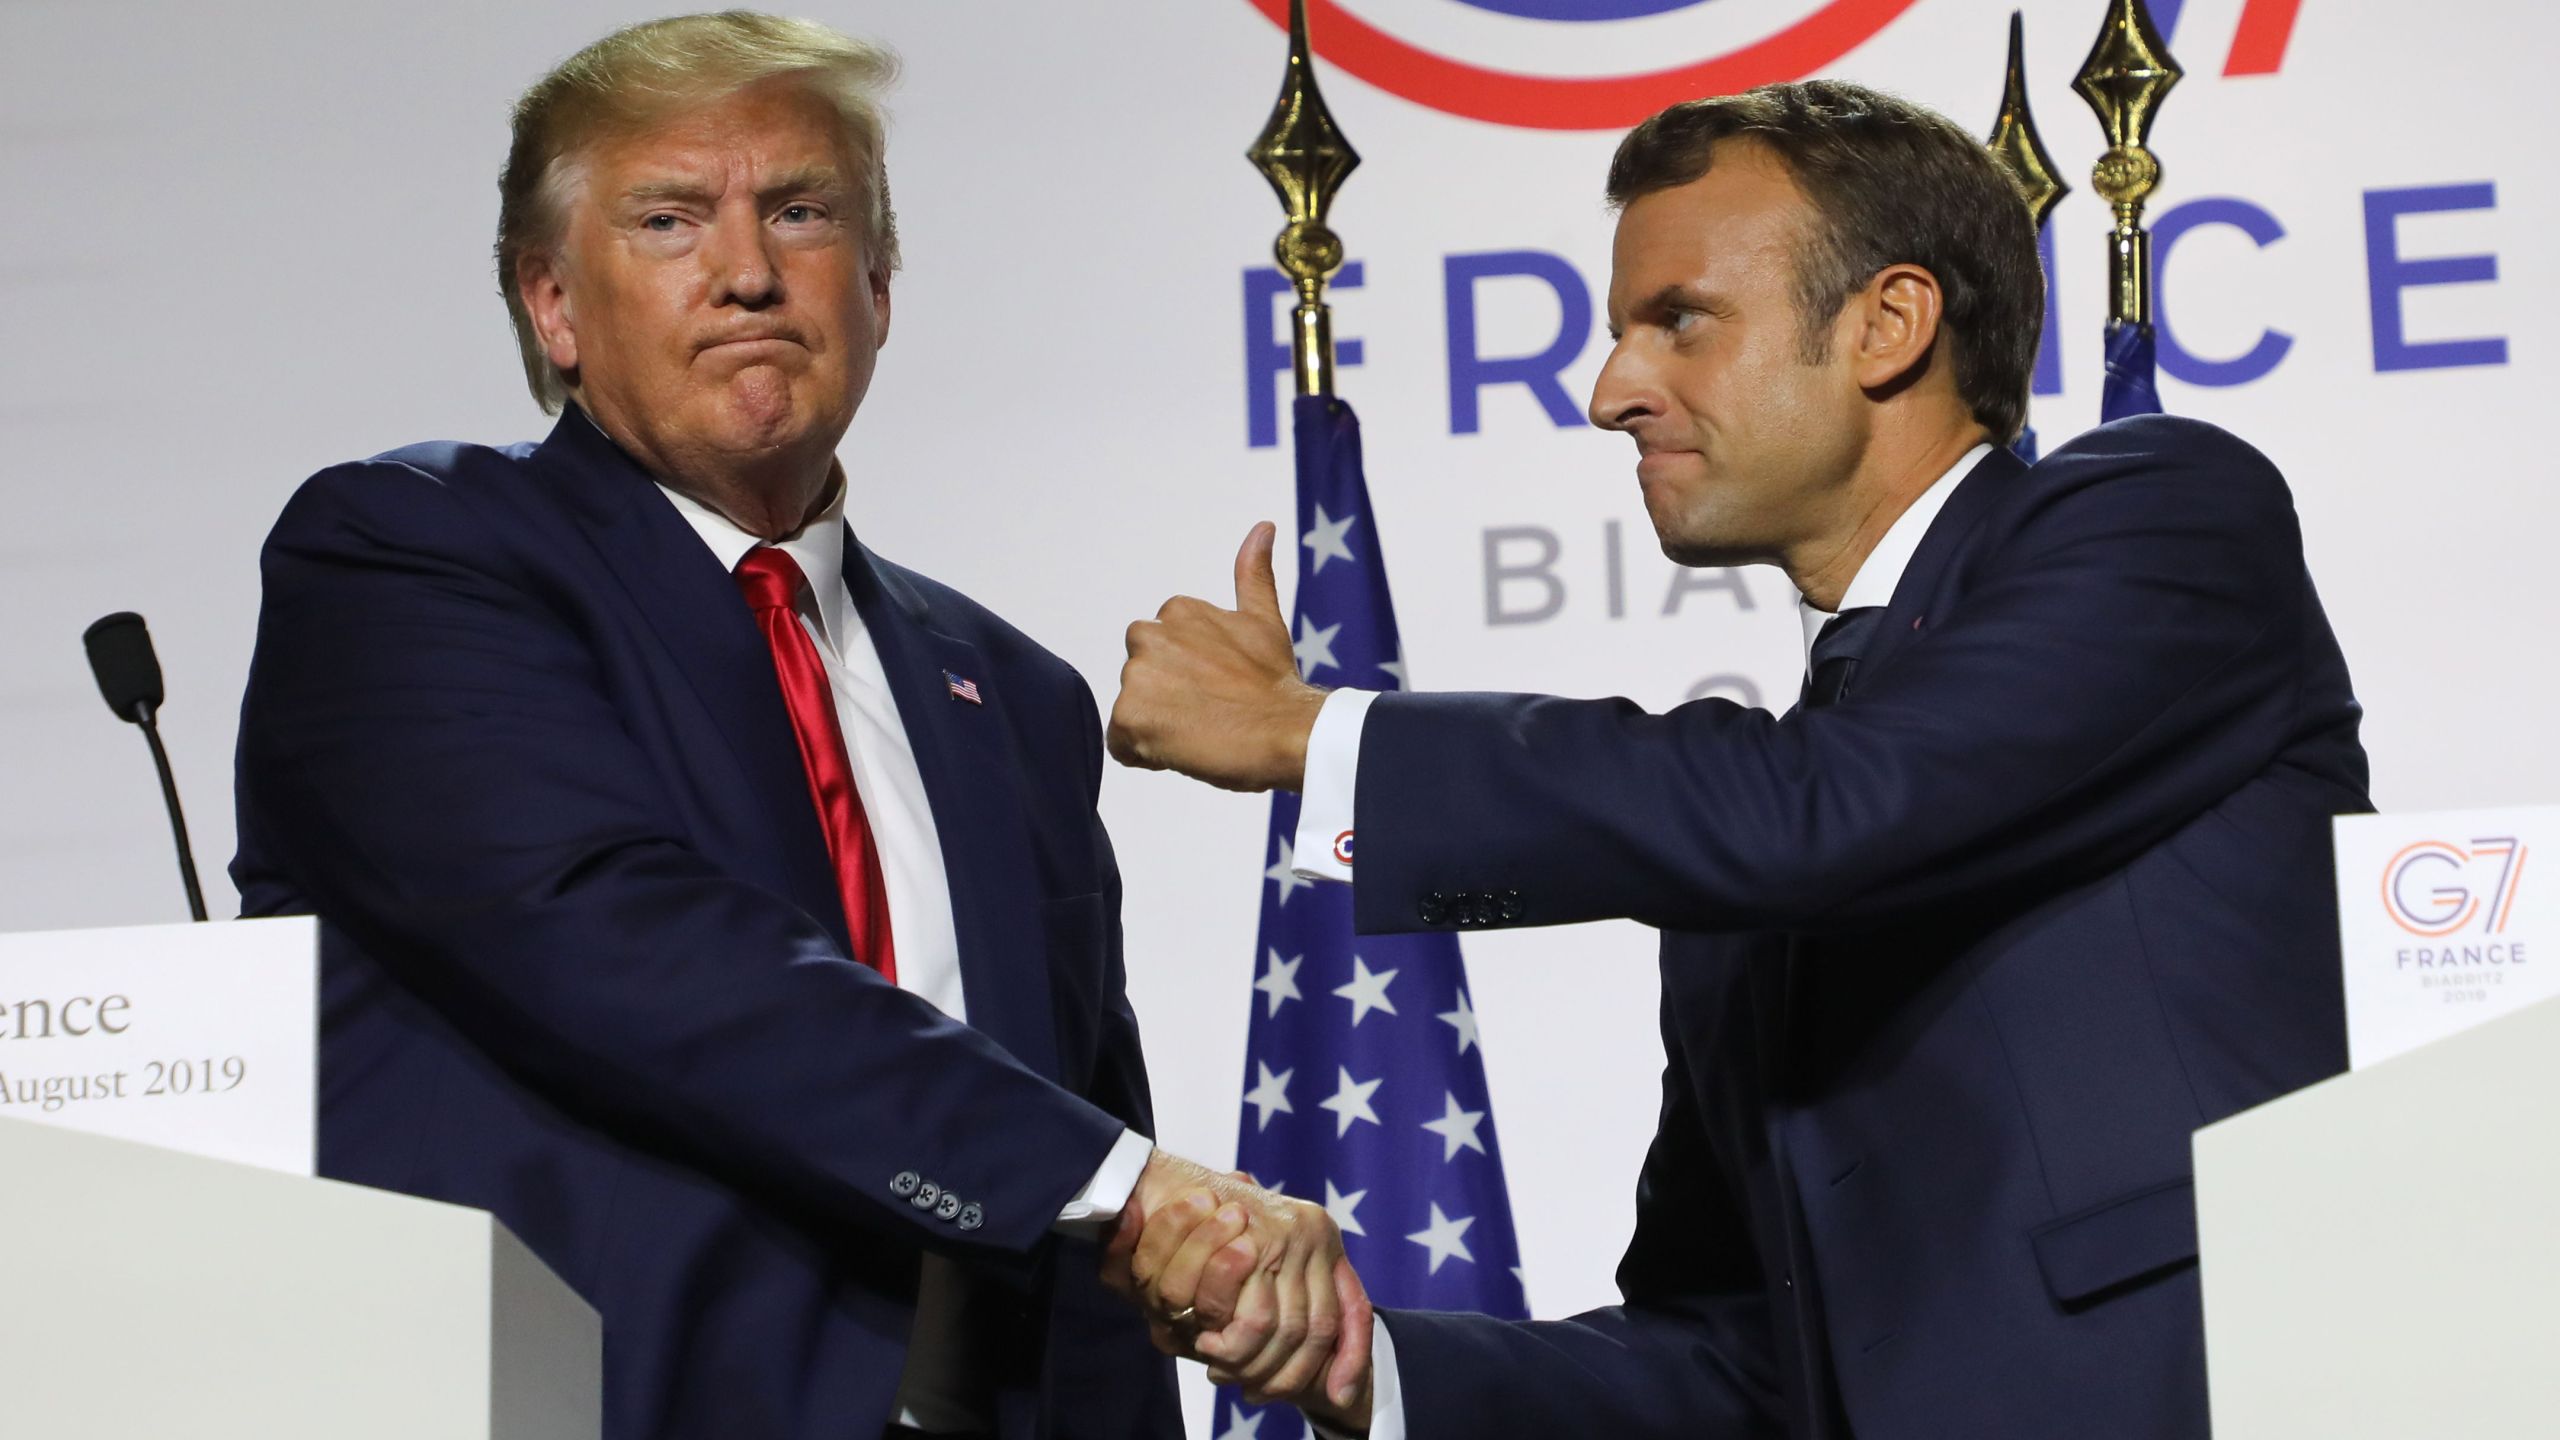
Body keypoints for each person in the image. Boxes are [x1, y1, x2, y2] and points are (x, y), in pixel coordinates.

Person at [1110, 81, 2369, 1438]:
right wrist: (1365, 1367)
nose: (1610, 393)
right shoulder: (1738, 836)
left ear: (1888, 325)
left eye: (1679, 324)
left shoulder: (2164, 519)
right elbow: (1734, 1356)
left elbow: (1822, 817)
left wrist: (1313, 731)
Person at [230, 14, 1355, 1439]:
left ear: (879, 289)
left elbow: (1075, 1147)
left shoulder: (1009, 692)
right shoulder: (411, 558)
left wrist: (1146, 1256)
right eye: (669, 218)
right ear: (552, 305)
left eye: (803, 212)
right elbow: (616, 940)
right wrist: (1126, 1181)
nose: (749, 269)